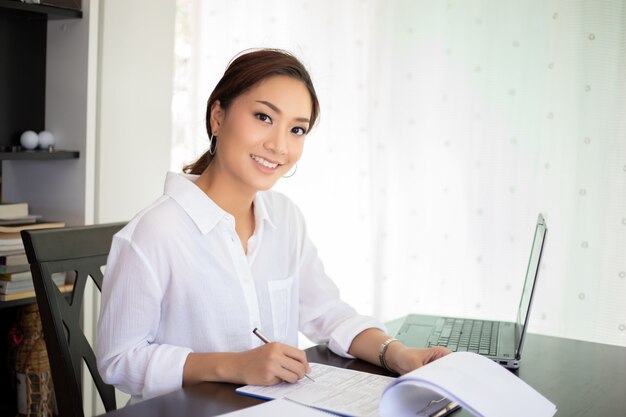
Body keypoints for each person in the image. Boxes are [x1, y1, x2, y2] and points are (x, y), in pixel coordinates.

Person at [96, 48, 449, 403]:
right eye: (264, 117)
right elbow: (119, 359)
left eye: (297, 129)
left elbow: (327, 312)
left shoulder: (285, 218)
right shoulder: (154, 232)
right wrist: (234, 365)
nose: (279, 145)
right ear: (218, 117)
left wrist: (399, 354)